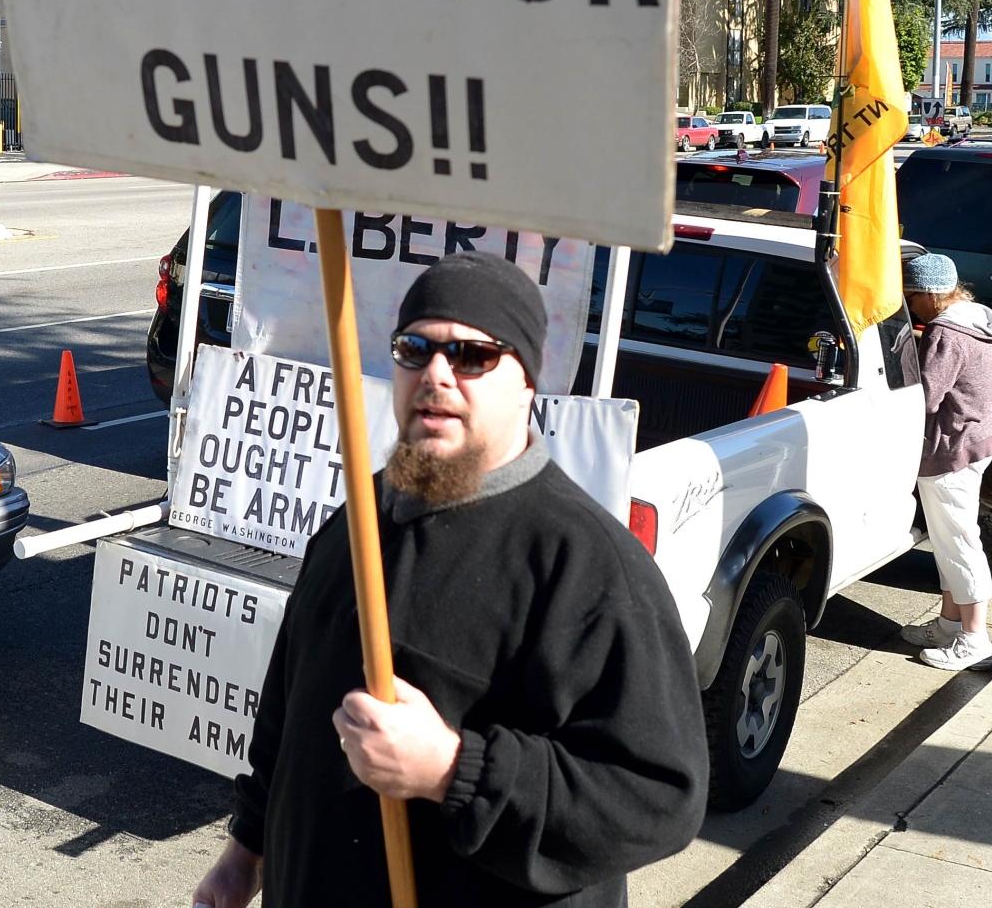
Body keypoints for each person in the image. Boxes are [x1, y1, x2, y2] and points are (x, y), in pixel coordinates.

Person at [191, 253, 707, 908]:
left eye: (472, 356)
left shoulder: (589, 567)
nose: (437, 373)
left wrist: (451, 771)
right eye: (416, 348)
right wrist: (248, 852)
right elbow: (290, 711)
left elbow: (659, 798)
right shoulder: (363, 514)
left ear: (527, 383)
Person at [898, 252, 992, 672]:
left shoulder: (945, 332)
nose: (910, 306)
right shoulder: (978, 320)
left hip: (952, 448)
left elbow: (926, 396)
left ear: (929, 294)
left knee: (960, 541)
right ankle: (948, 625)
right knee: (948, 541)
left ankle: (975, 638)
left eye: (912, 296)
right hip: (978, 439)